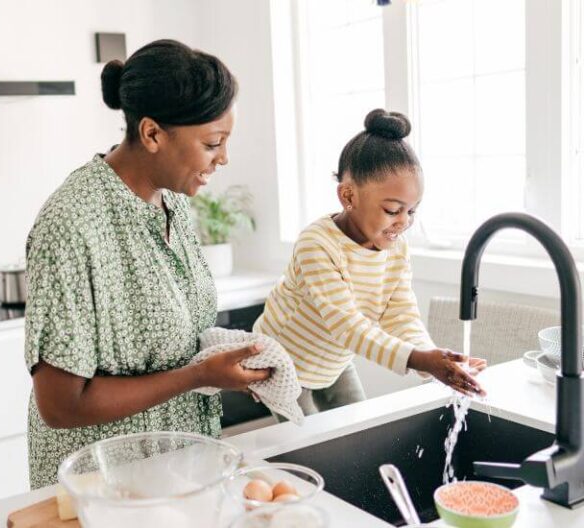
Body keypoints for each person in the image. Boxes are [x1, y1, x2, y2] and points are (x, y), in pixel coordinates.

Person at [24, 39, 270, 489]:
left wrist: (226, 363)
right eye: (213, 143)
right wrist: (198, 375)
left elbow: (173, 339)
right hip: (103, 491)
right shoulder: (73, 223)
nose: (224, 158)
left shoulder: (172, 203)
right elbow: (60, 405)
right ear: (153, 134)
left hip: (175, 473)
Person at [253, 109, 487, 417]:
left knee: (357, 428)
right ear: (348, 195)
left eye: (412, 211)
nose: (403, 222)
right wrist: (418, 359)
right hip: (285, 364)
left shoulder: (396, 249)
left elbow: (400, 314)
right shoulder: (317, 243)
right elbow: (347, 326)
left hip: (333, 361)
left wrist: (433, 359)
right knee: (307, 447)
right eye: (393, 210)